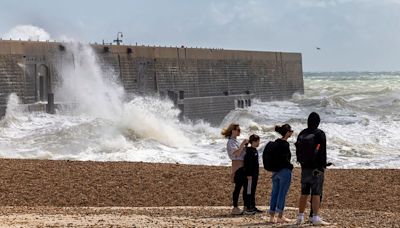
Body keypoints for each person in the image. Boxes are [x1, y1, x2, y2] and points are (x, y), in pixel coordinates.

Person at [296, 112, 330, 226]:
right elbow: (323, 151)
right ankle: (315, 217)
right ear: (318, 122)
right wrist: (323, 166)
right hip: (316, 168)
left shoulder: (302, 133)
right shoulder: (320, 134)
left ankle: (300, 217)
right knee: (316, 193)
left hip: (304, 167)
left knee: (304, 192)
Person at [268, 124, 294, 223]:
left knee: (274, 193)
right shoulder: (285, 144)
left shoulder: (276, 142)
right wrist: (290, 166)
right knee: (282, 193)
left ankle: (271, 216)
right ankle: (280, 216)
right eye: (291, 131)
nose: (291, 132)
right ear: (287, 132)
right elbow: (285, 159)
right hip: (284, 171)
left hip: (275, 171)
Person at [222, 123, 248, 215]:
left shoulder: (235, 141)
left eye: (239, 130)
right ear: (233, 131)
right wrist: (242, 145)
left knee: (245, 187)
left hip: (242, 167)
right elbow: (235, 154)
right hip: (237, 168)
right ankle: (235, 207)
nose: (239, 131)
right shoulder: (230, 142)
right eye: (238, 130)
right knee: (238, 187)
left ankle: (246, 206)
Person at [243, 134, 263, 214]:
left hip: (255, 174)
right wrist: (248, 174)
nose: (259, 143)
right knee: (249, 191)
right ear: (254, 142)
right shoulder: (249, 151)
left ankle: (253, 206)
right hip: (250, 175)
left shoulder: (255, 150)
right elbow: (247, 163)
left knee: (253, 190)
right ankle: (248, 207)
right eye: (258, 141)